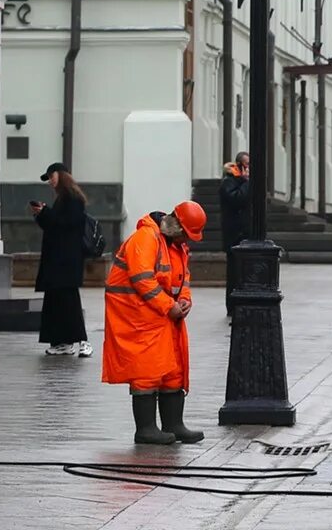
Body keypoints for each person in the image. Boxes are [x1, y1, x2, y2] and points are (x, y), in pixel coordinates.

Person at [104, 200, 207, 446]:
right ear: (176, 226)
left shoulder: (174, 245)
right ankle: (146, 430)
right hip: (138, 317)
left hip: (160, 316)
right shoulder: (145, 238)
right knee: (147, 372)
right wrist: (168, 305)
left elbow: (183, 280)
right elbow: (142, 279)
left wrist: (184, 300)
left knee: (173, 370)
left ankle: (174, 425)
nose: (187, 241)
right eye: (186, 235)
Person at [30, 163, 90, 357]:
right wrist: (41, 215)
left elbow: (67, 225)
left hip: (66, 262)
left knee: (68, 301)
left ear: (61, 175)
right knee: (56, 302)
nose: (50, 181)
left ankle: (83, 342)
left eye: (51, 176)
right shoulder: (63, 200)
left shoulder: (73, 199)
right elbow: (54, 226)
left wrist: (47, 213)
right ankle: (61, 342)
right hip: (58, 262)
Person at [218, 151, 249, 318]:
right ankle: (233, 306)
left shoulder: (245, 182)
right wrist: (246, 182)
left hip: (245, 234)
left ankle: (243, 304)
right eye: (246, 165)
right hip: (234, 235)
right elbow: (237, 199)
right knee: (234, 273)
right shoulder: (229, 182)